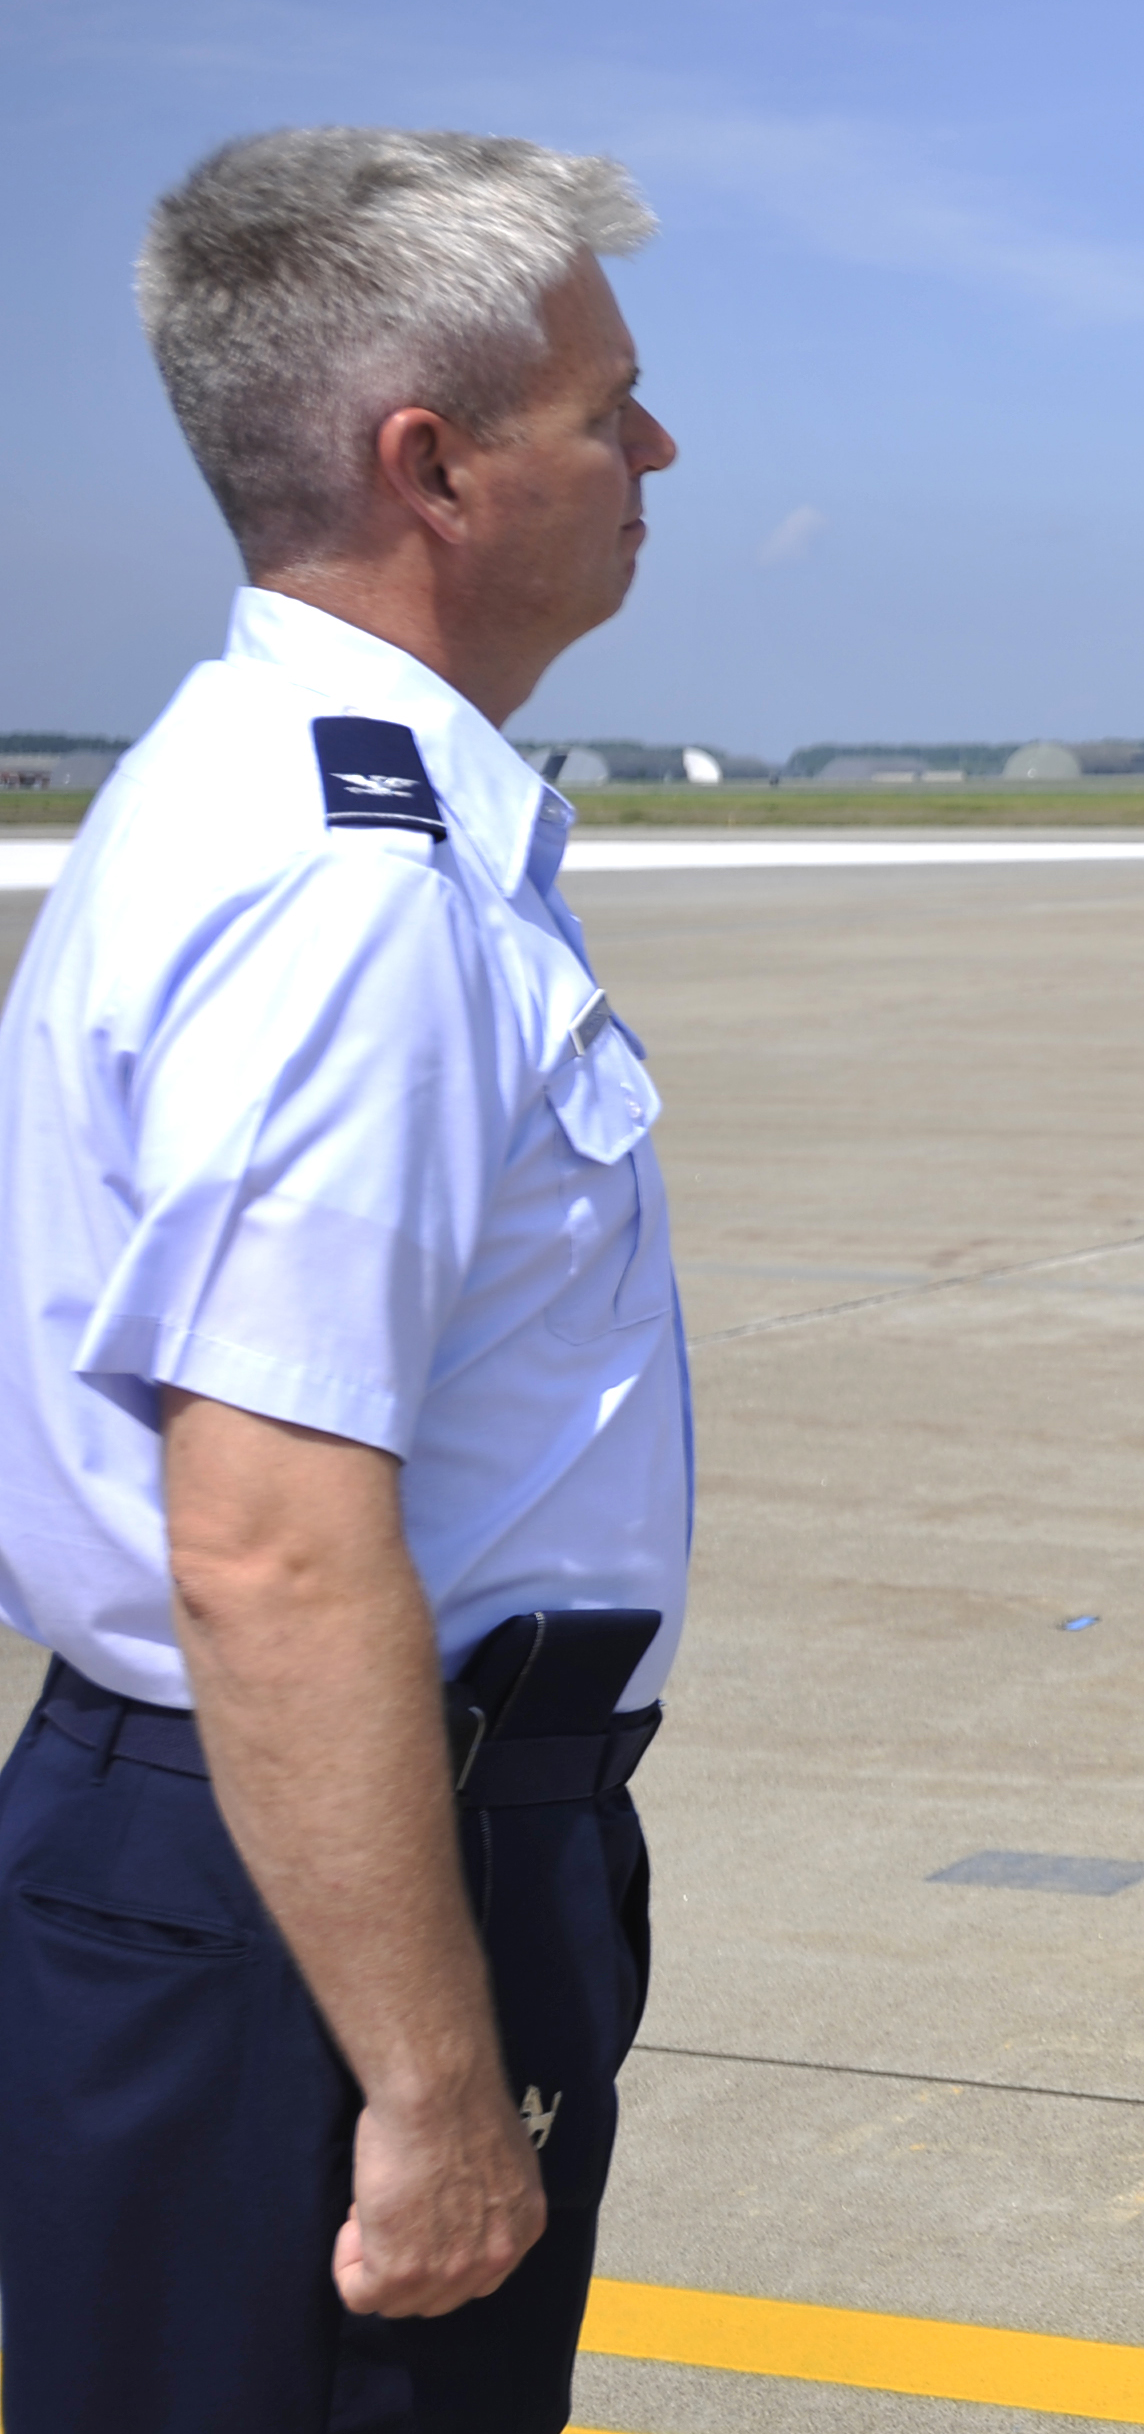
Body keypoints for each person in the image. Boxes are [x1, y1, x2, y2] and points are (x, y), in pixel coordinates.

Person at [0, 129, 687, 2429]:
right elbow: (272, 1549)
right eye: (604, 409)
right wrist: (424, 2083)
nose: (656, 451)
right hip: (326, 1871)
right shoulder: (352, 889)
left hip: (292, 1833)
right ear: (435, 467)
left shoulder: (272, 790)